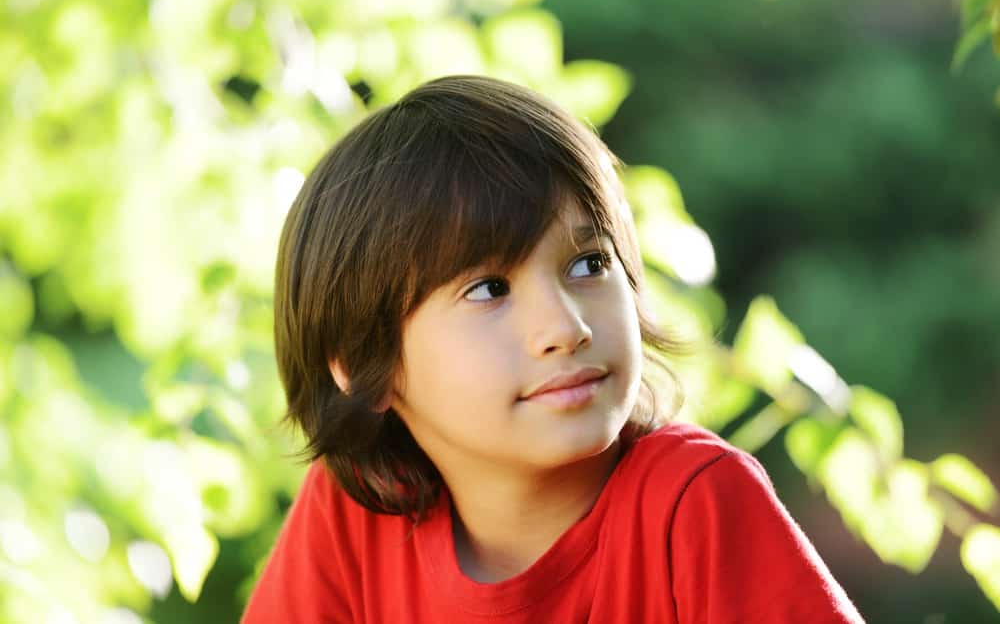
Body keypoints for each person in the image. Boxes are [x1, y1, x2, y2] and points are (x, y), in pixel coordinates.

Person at [241, 75, 864, 623]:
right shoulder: (353, 520)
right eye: (489, 289)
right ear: (363, 366)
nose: (567, 328)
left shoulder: (692, 504)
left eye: (589, 263)